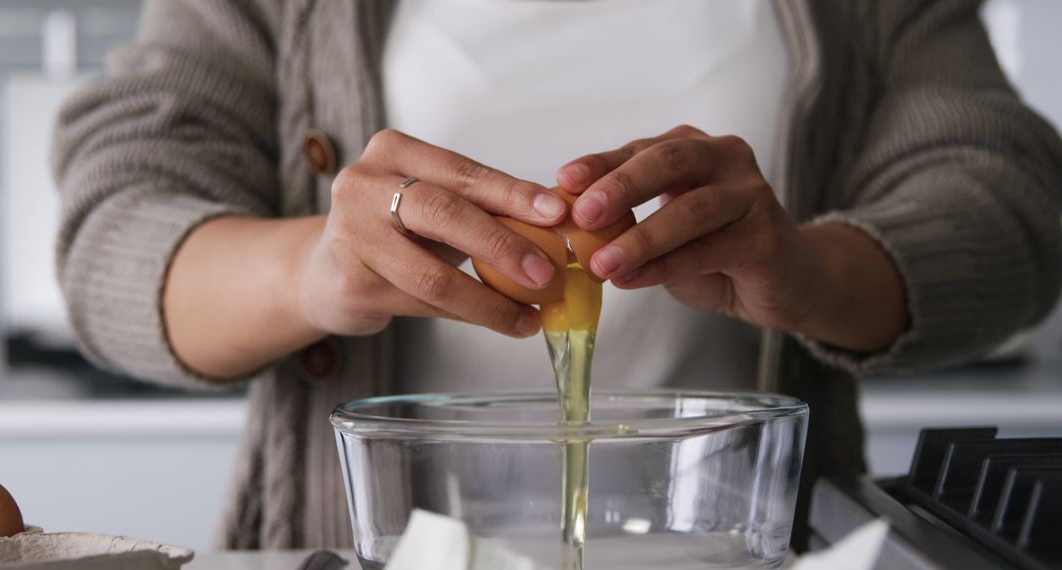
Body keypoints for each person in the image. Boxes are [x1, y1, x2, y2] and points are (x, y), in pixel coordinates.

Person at [53, 0, 1062, 550]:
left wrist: (808, 269)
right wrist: (321, 270)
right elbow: (115, 227)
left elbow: (1010, 197)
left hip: (751, 543)